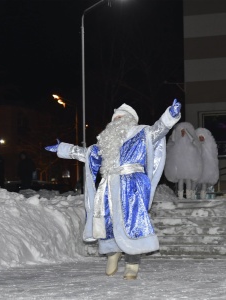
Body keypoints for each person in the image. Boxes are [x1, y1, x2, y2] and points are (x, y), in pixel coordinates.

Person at [45, 99, 181, 280]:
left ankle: (132, 263)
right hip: (108, 185)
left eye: (121, 118)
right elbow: (87, 154)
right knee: (107, 220)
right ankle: (112, 253)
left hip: (132, 185)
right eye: (114, 118)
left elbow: (159, 129)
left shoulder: (141, 133)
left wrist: (170, 115)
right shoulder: (106, 143)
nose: (116, 121)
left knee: (132, 222)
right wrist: (63, 149)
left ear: (130, 120)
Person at [164, 122, 202, 199]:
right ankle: (180, 196)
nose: (183, 133)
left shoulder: (190, 146)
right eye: (181, 131)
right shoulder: (176, 145)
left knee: (188, 180)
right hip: (180, 166)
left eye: (184, 131)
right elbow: (173, 140)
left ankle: (189, 195)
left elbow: (193, 142)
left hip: (188, 166)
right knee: (180, 180)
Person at [195, 127, 219, 199]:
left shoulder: (209, 146)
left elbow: (213, 156)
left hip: (207, 169)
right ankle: (197, 197)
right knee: (198, 184)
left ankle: (206, 196)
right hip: (198, 169)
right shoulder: (196, 146)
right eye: (200, 137)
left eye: (202, 137)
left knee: (205, 183)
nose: (201, 139)